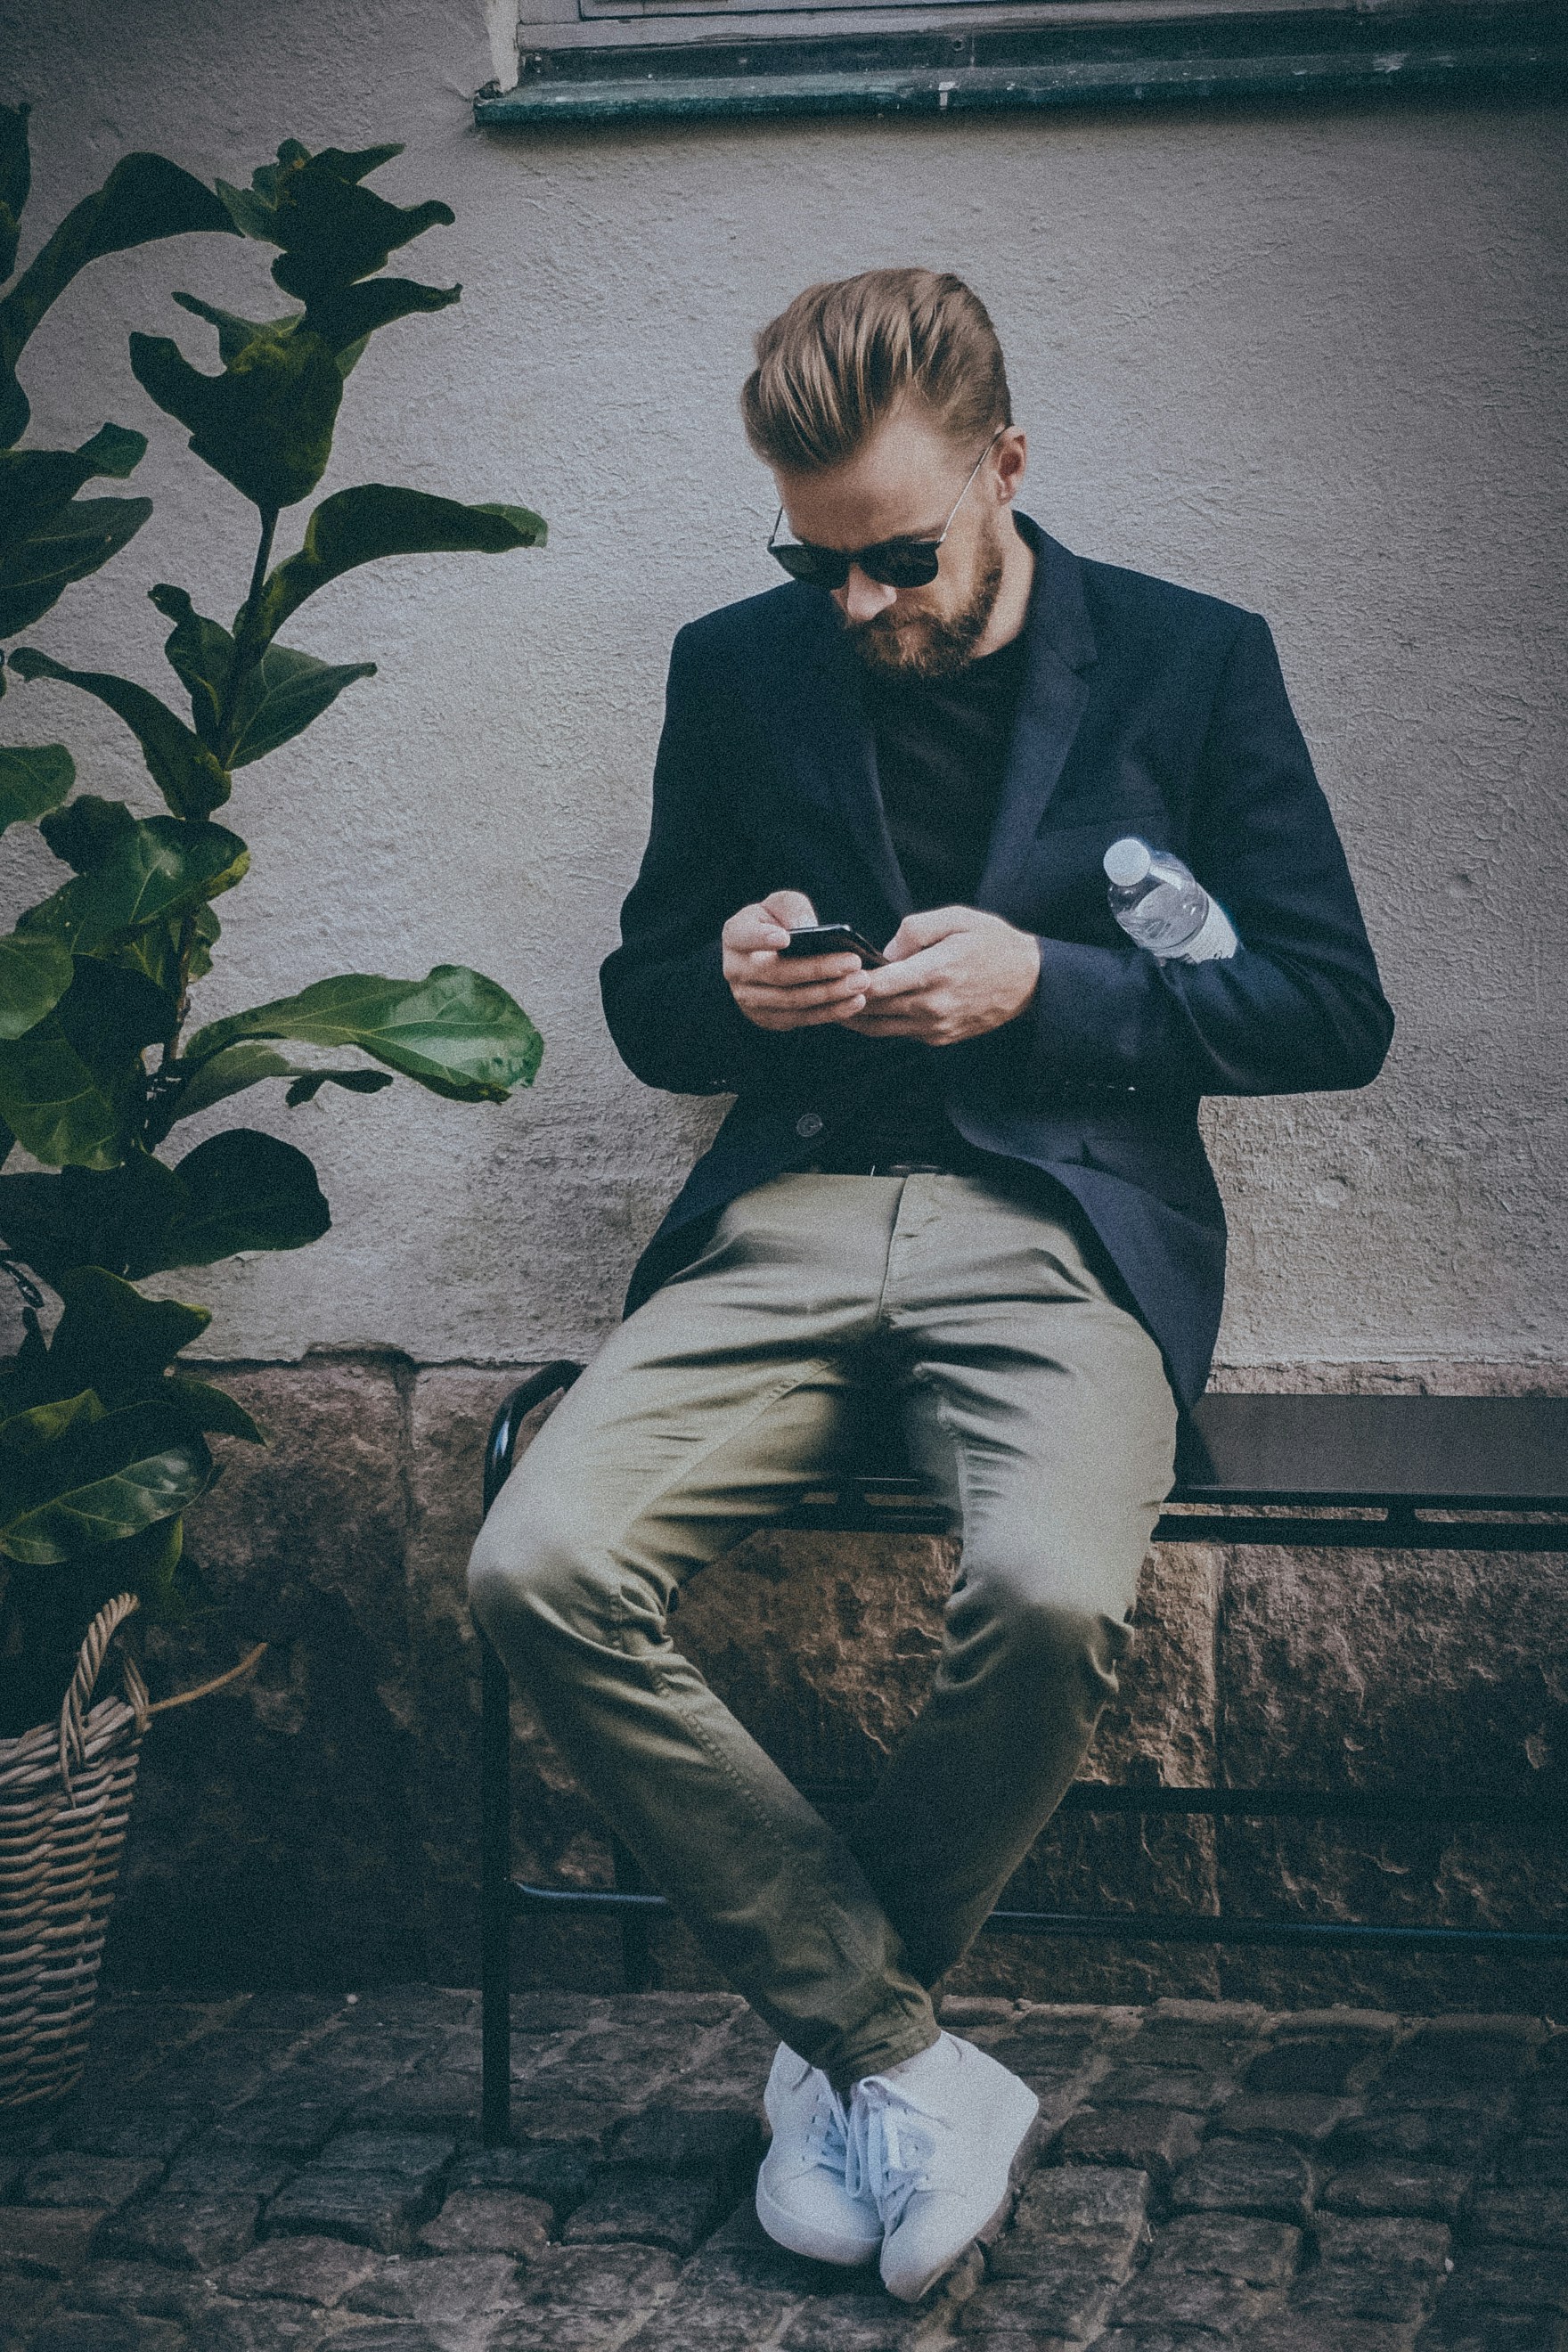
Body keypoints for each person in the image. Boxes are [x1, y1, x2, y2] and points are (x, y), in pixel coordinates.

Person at [467, 267, 1394, 2303]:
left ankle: (840, 2054)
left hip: (1061, 1227)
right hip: (789, 1208)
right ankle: (895, 2058)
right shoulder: (739, 665)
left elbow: (1330, 1007)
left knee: (1055, 1597)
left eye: (901, 561)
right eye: (819, 566)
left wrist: (1046, 985)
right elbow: (643, 1000)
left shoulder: (1190, 657)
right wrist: (721, 982)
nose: (861, 610)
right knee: (532, 1562)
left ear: (1007, 468)